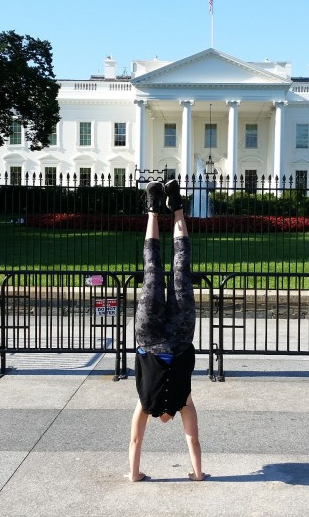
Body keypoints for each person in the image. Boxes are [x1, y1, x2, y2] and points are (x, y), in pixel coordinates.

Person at [128, 178, 208, 482]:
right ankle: (152, 208)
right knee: (152, 270)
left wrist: (198, 473)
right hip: (148, 336)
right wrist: (134, 475)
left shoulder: (183, 400)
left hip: (179, 334)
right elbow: (135, 442)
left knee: (180, 267)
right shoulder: (146, 400)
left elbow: (193, 441)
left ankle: (175, 207)